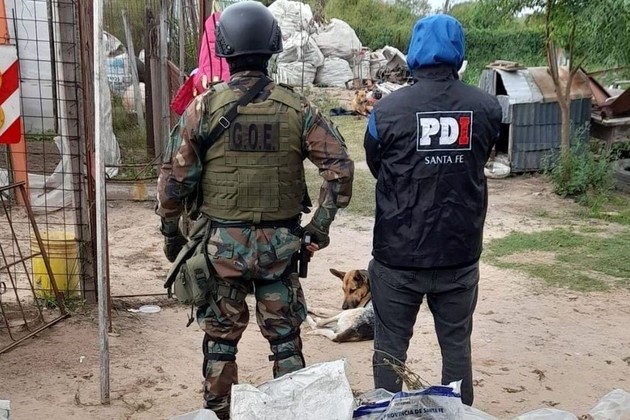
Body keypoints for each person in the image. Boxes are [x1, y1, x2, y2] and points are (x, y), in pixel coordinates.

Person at [155, 2, 354, 418]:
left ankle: (218, 413)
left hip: (221, 248)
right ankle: (290, 411)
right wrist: (318, 228)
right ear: (273, 48)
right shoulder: (298, 109)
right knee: (285, 341)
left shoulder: (203, 108)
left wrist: (172, 234)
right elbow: (339, 168)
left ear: (224, 50)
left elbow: (175, 182)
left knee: (220, 341)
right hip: (280, 247)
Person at [363, 14, 502, 406]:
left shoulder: (386, 112)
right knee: (456, 347)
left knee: (390, 350)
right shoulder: (487, 108)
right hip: (459, 253)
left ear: (415, 52)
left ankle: (385, 413)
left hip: (397, 256)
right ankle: (459, 413)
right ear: (458, 52)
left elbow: (377, 166)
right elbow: (480, 158)